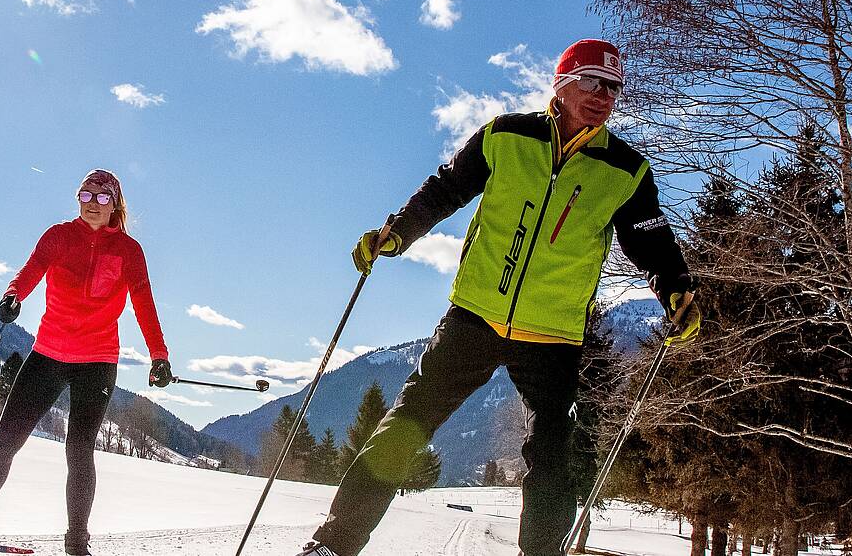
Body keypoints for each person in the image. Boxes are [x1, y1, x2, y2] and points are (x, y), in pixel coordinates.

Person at [297, 39, 703, 556]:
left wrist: (674, 289)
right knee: (407, 424)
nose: (604, 95)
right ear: (562, 85)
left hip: (553, 333)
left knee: (552, 456)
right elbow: (446, 188)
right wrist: (398, 232)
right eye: (592, 82)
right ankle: (333, 544)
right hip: (476, 314)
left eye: (614, 87)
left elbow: (648, 237)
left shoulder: (626, 169)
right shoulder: (506, 134)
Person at [0, 169, 173, 556]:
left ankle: (76, 541)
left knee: (79, 449)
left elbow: (144, 304)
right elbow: (32, 270)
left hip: (97, 360)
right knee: (7, 437)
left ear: (115, 204)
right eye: (86, 195)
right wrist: (14, 295)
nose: (93, 205)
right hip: (48, 353)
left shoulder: (129, 251)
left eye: (102, 198)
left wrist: (159, 355)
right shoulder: (59, 236)